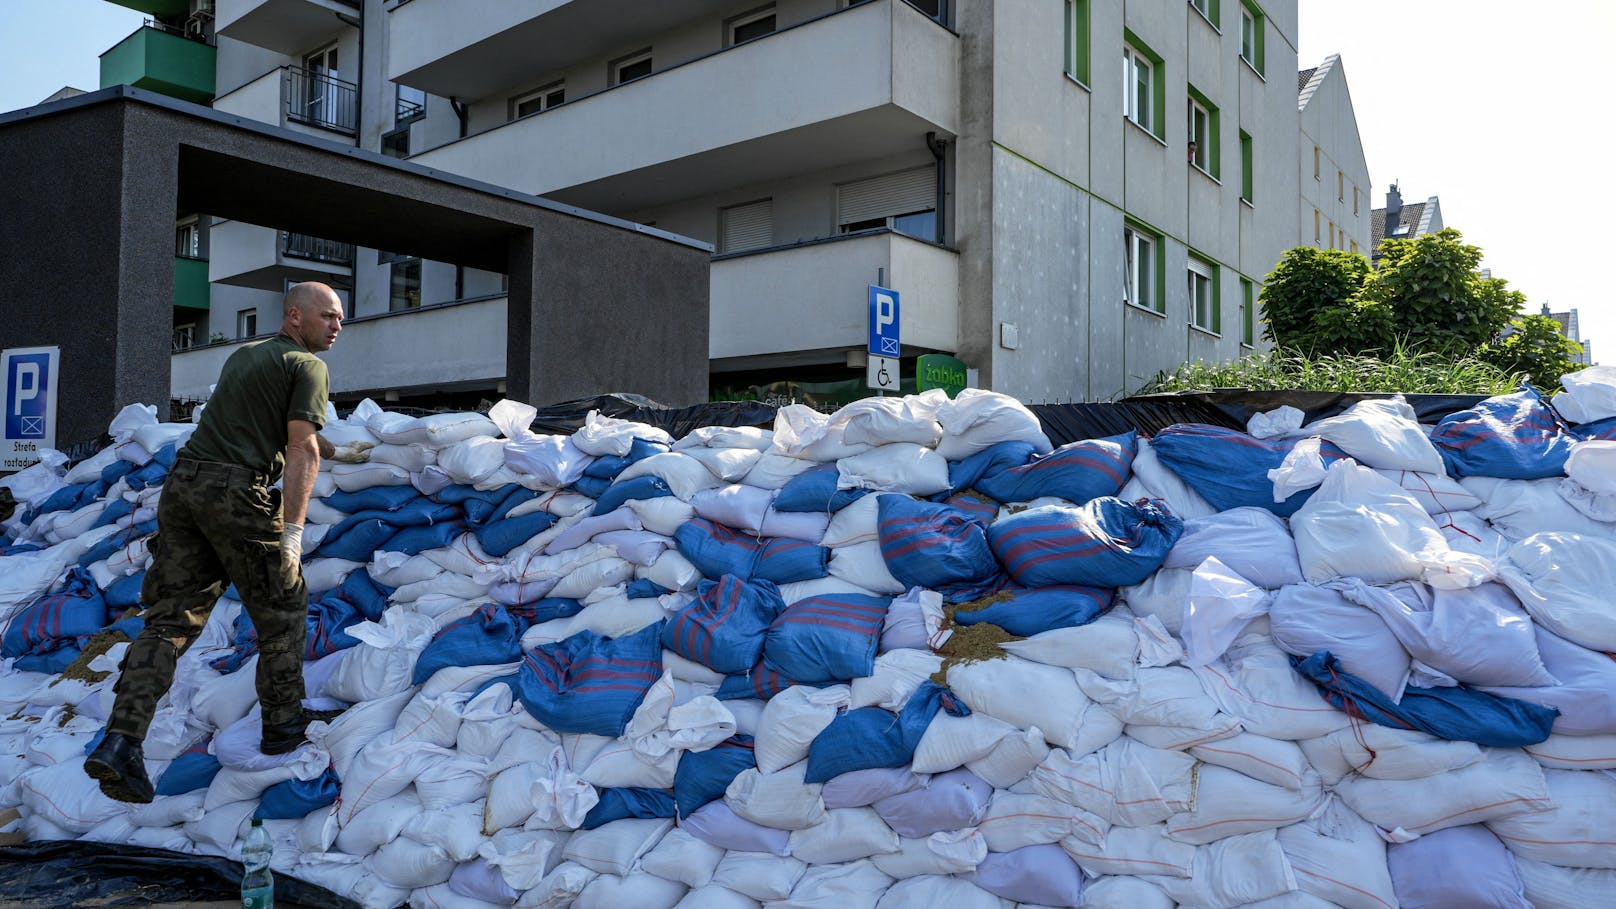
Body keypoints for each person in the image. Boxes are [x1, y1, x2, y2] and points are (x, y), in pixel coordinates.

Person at [87, 282, 370, 804]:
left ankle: (121, 741)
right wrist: (292, 533)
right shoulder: (309, 366)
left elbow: (271, 424)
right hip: (235, 492)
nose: (337, 326)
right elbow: (299, 445)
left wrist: (334, 448)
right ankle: (283, 726)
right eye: (328, 316)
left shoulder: (247, 357)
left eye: (341, 318)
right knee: (283, 606)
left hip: (184, 486)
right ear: (295, 316)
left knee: (171, 620)